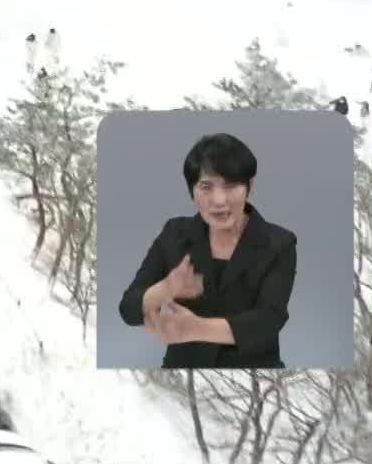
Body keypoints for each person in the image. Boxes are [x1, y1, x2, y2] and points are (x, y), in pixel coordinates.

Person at [116, 132, 297, 369]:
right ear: (192, 191)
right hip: (183, 373)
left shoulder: (279, 243)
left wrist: (195, 328)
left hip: (256, 375)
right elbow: (128, 309)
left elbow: (269, 319)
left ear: (249, 186)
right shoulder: (174, 234)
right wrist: (166, 289)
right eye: (206, 187)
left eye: (231, 186)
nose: (219, 200)